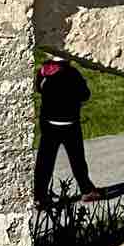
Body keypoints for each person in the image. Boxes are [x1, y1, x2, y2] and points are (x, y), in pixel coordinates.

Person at [33, 52, 104, 209]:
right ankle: (87, 190)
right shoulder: (72, 73)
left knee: (45, 161)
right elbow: (85, 95)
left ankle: (39, 196)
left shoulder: (43, 71)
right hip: (69, 124)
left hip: (48, 123)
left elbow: (38, 88)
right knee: (77, 159)